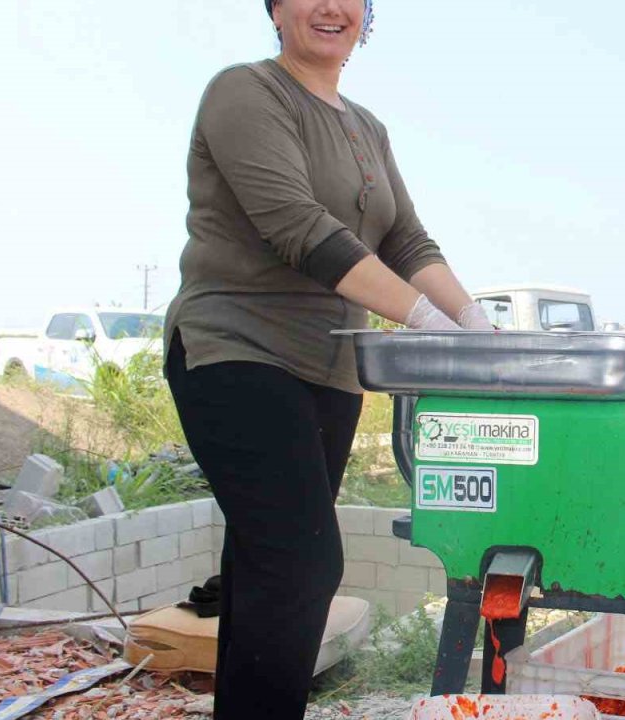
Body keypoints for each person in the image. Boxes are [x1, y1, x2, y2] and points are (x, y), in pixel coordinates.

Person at [162, 1, 492, 717]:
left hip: (331, 369)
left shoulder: (366, 128)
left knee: (264, 562)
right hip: (236, 351)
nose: (331, 6)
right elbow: (298, 226)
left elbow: (406, 240)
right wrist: (423, 319)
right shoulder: (244, 92)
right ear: (275, 10)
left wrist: (473, 323)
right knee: (304, 563)